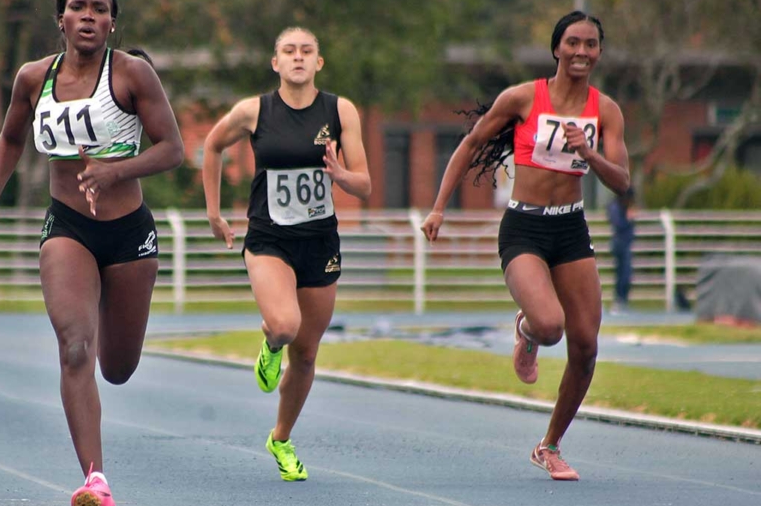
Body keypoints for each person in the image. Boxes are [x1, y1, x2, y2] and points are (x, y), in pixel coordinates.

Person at [0, 1, 184, 504]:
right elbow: (10, 138)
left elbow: (173, 148)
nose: (87, 16)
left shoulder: (131, 74)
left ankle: (102, 299)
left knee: (117, 368)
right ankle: (95, 481)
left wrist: (114, 170)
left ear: (111, 22)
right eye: (76, 6)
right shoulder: (33, 78)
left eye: (99, 8)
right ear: (60, 18)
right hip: (68, 227)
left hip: (128, 235)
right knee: (75, 346)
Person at [421, 11, 630, 481]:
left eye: (591, 44)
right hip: (524, 229)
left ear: (599, 52)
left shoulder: (606, 111)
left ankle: (550, 445)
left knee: (586, 346)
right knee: (551, 325)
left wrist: (590, 152)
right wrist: (438, 207)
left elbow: (621, 181)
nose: (581, 51)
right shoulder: (522, 97)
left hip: (570, 230)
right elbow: (471, 144)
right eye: (573, 42)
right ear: (556, 48)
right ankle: (529, 330)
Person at [201, 27, 371, 482]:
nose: (298, 57)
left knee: (308, 355)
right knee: (285, 325)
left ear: (319, 62)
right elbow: (212, 145)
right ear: (275, 63)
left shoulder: (340, 111)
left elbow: (365, 184)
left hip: (320, 242)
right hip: (269, 238)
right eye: (288, 51)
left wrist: (339, 173)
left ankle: (280, 438)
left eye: (307, 51)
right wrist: (214, 212)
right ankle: (270, 339)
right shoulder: (254, 110)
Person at [607, 188, 636, 313]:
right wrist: (629, 219)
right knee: (622, 272)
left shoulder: (622, 207)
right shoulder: (615, 207)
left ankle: (622, 298)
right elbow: (618, 223)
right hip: (620, 243)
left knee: (626, 272)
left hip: (626, 243)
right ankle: (619, 298)